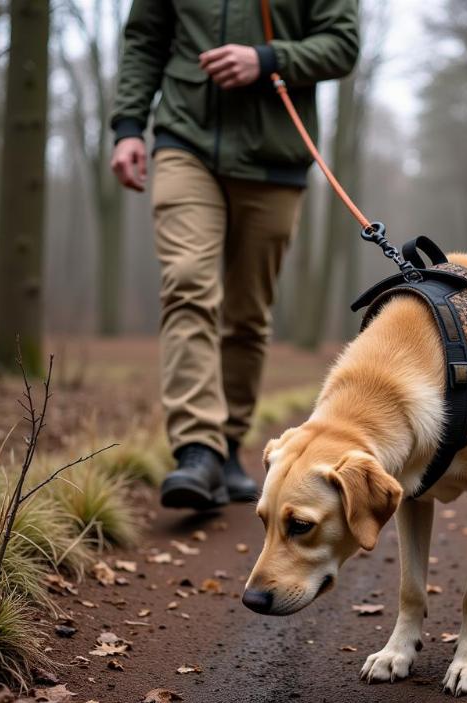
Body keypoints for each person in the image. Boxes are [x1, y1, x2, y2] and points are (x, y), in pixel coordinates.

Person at [110, 0, 359, 510]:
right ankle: (196, 449)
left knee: (247, 314)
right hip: (184, 140)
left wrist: (267, 59)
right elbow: (145, 39)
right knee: (188, 283)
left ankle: (226, 446)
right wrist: (129, 126)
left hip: (275, 158)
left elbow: (342, 45)